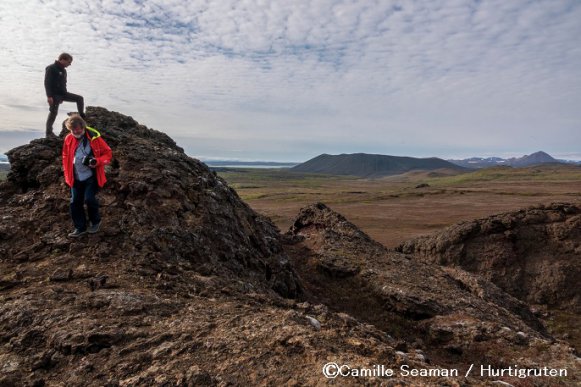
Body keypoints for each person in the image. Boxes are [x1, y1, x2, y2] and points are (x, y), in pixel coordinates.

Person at [62, 115, 112, 237]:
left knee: (89, 199)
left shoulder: (94, 138)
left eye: (78, 129)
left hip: (91, 176)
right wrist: (67, 174)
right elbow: (65, 156)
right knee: (75, 202)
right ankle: (80, 228)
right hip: (75, 176)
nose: (76, 132)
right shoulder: (68, 139)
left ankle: (96, 222)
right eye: (73, 130)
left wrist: (97, 161)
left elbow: (108, 153)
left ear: (83, 127)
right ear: (70, 129)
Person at [45, 53, 85, 137]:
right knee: (53, 112)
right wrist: (49, 96)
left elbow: (64, 84)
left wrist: (63, 96)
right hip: (54, 95)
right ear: (63, 59)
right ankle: (49, 133)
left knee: (79, 98)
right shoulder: (51, 68)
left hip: (63, 94)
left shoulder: (63, 70)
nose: (70, 64)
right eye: (69, 62)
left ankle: (82, 117)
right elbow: (47, 83)